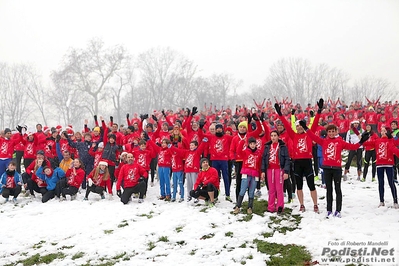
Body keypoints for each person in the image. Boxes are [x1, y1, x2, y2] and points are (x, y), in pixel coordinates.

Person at [300, 121, 370, 218]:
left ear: (336, 132)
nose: (331, 133)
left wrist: (362, 142)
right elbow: (313, 137)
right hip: (327, 169)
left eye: (333, 131)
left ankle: (338, 210)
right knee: (329, 190)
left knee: (338, 189)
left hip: (337, 169)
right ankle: (329, 210)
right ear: (327, 132)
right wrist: (305, 127)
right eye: (330, 132)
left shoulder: (340, 142)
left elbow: (352, 147)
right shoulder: (324, 141)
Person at [275, 100, 322, 213]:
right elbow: (286, 124)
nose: (299, 128)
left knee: (311, 185)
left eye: (301, 126)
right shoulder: (293, 135)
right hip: (297, 162)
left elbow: (315, 123)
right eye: (298, 126)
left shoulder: (309, 134)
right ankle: (301, 205)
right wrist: (280, 114)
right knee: (299, 185)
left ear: (304, 126)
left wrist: (319, 111)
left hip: (307, 162)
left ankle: (315, 204)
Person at [363, 126, 399, 208]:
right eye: (382, 131)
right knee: (381, 183)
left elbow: (396, 144)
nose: (382, 132)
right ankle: (381, 201)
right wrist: (363, 137)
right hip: (379, 165)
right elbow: (365, 143)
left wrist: (394, 136)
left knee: (391, 183)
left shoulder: (391, 141)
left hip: (389, 164)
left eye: (385, 131)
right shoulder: (377, 141)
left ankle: (395, 201)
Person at [260, 132, 290, 214]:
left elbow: (287, 159)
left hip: (279, 169)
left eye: (275, 136)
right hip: (269, 169)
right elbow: (263, 159)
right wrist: (262, 171)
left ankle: (280, 206)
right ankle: (271, 206)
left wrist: (286, 171)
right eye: (272, 136)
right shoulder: (267, 147)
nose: (273, 137)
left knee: (279, 188)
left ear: (278, 137)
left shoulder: (283, 147)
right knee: (271, 189)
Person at [233, 136, 263, 214]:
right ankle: (238, 206)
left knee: (251, 191)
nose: (252, 145)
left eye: (254, 144)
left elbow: (259, 164)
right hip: (246, 173)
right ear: (248, 144)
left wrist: (260, 174)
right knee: (242, 190)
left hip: (255, 174)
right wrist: (242, 142)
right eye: (251, 144)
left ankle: (250, 207)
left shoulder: (259, 153)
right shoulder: (245, 152)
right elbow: (238, 151)